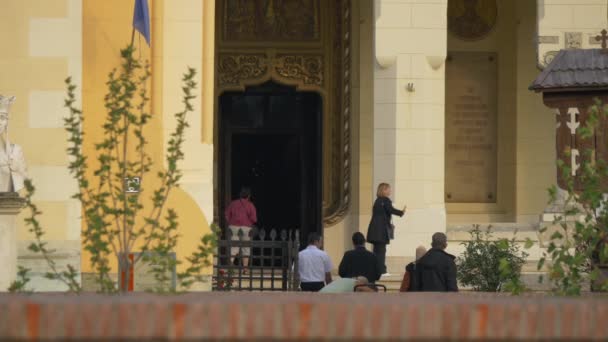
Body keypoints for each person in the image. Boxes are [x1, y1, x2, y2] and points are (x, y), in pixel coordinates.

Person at [366, 183, 406, 276]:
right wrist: (401, 212)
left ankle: (376, 270)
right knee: (381, 251)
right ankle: (382, 271)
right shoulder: (386, 200)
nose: (390, 191)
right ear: (383, 190)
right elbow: (390, 210)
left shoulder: (377, 201)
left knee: (376, 251)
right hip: (381, 231)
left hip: (374, 231)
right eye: (388, 189)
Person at [224, 187, 257, 269]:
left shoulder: (233, 203)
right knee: (246, 248)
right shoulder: (250, 205)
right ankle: (245, 269)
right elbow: (254, 219)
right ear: (248, 196)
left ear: (240, 195)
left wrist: (231, 222)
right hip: (246, 228)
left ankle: (230, 266)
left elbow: (226, 214)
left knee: (234, 246)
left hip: (234, 227)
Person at [0, 95, 27, 193]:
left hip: (9, 203)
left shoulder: (15, 151)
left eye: (2, 117)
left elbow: (24, 175)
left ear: (7, 121)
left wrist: (16, 168)